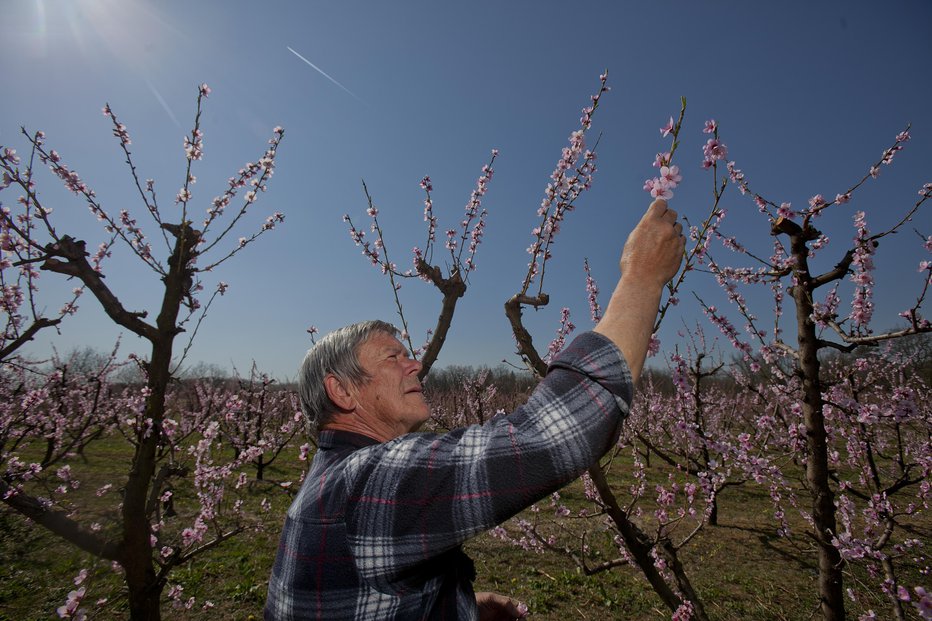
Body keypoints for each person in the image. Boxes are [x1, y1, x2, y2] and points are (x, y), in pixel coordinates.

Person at [265, 199, 685, 620]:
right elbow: (554, 433)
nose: (415, 364)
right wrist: (642, 278)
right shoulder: (364, 483)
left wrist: (462, 608)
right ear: (342, 391)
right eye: (392, 358)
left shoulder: (329, 484)